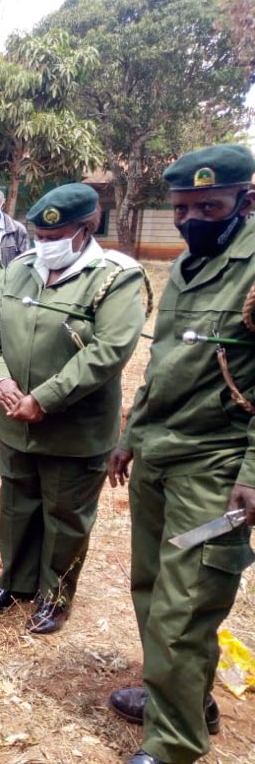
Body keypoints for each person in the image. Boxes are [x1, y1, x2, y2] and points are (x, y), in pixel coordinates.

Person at [107, 144, 255, 764]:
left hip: (217, 467)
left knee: (184, 607)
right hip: (161, 454)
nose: (194, 219)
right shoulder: (189, 268)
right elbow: (163, 365)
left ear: (245, 202)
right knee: (151, 588)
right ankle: (186, 697)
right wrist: (131, 437)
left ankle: (173, 744)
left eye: (211, 206)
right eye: (183, 208)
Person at [0, 183, 145, 634]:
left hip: (74, 427)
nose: (45, 246)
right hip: (14, 418)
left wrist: (44, 399)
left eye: (56, 237)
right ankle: (16, 582)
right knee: (16, 505)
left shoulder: (115, 276)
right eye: (39, 236)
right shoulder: (21, 268)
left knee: (65, 516)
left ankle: (55, 596)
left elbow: (109, 350)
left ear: (86, 228)